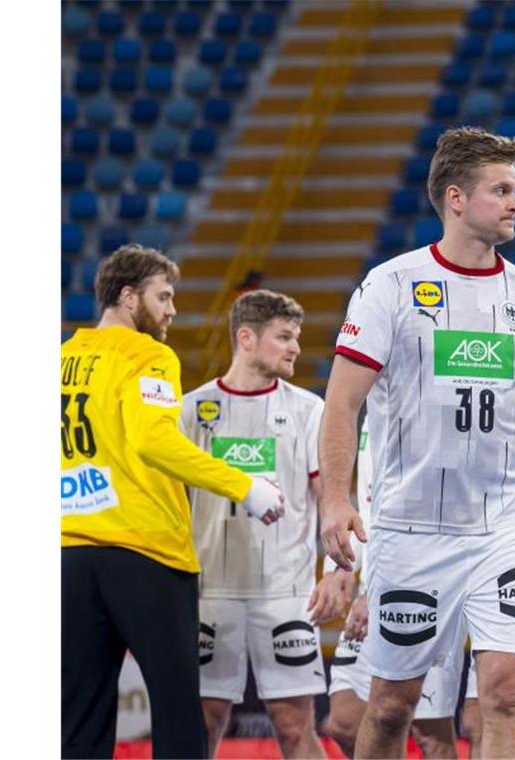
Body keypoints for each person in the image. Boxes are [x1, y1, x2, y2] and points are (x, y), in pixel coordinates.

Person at [317, 126, 515, 759]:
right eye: (502, 190)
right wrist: (336, 499)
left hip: (507, 529)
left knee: (505, 694)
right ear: (456, 198)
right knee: (391, 709)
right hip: (412, 530)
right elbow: (343, 402)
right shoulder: (390, 285)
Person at [61, 245, 283, 758]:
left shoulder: (60, 358)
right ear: (127, 295)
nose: (172, 309)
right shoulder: (148, 355)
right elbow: (153, 440)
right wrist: (244, 486)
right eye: (163, 296)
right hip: (145, 553)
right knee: (179, 712)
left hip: (70, 554)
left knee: (79, 720)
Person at [179, 290, 341, 758]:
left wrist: (339, 569)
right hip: (209, 594)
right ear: (245, 338)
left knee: (295, 726)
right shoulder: (190, 411)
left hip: (286, 595)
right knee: (204, 723)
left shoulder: (310, 410)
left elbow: (330, 499)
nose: (295, 347)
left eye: (297, 337)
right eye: (284, 336)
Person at [325, 419, 465, 759]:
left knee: (431, 733)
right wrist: (343, 566)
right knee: (344, 719)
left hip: (429, 581)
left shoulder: (426, 403)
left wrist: (378, 592)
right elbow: (371, 506)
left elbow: (427, 510)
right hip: (377, 578)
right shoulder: (369, 407)